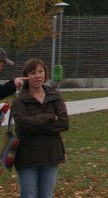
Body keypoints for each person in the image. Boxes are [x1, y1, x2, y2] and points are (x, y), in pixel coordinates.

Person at [11, 59, 68, 198]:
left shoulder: (54, 97)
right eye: (33, 73)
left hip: (51, 154)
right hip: (27, 156)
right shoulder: (19, 101)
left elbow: (63, 123)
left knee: (47, 195)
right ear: (26, 76)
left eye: (40, 71)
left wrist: (35, 124)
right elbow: (24, 125)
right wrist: (50, 117)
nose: (37, 76)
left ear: (45, 73)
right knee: (28, 194)